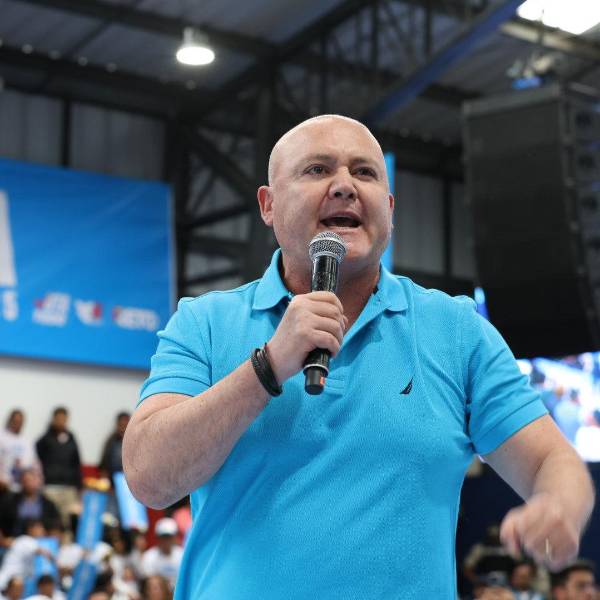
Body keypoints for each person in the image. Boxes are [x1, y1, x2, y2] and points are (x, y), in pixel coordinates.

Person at [123, 115, 596, 598]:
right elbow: (149, 478)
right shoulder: (204, 323)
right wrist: (267, 366)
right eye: (317, 169)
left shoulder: (457, 331)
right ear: (268, 204)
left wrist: (559, 504)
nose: (345, 185)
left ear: (388, 209)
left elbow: (551, 461)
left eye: (364, 172)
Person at [35, 408, 81, 529]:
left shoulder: (71, 438)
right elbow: (37, 459)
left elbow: (76, 463)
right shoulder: (45, 439)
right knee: (53, 520)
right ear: (53, 419)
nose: (61, 422)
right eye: (58, 419)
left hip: (69, 487)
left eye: (63, 419)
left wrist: (79, 486)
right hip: (50, 486)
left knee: (69, 519)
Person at [9, 469, 61, 536]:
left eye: (33, 480)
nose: (30, 484)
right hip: (16, 538)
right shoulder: (11, 502)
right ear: (21, 482)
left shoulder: (48, 504)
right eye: (27, 480)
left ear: (39, 482)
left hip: (42, 538)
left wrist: (44, 531)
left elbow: (56, 525)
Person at [0, 410, 39, 492]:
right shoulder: (2, 437)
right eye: (15, 421)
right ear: (10, 420)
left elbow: (33, 463)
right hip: (4, 486)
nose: (18, 424)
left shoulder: (27, 441)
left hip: (23, 487)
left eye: (20, 422)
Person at [140, 519, 182, 589]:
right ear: (157, 538)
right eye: (163, 537)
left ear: (174, 537)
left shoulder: (182, 555)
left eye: (169, 537)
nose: (166, 541)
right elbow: (149, 582)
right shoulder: (149, 557)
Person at [98, 413, 130, 482]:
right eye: (121, 425)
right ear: (117, 425)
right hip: (112, 479)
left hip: (129, 480)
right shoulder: (111, 441)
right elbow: (104, 463)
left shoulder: (134, 441)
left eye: (125, 425)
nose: (123, 429)